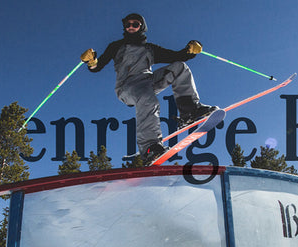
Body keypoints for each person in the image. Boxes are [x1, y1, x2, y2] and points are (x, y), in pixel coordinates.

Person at [81, 13, 219, 164]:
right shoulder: (116, 46)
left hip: (148, 81)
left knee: (179, 67)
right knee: (148, 99)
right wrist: (92, 61)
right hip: (127, 86)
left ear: (142, 27)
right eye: (128, 25)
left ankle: (190, 111)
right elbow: (98, 66)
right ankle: (150, 147)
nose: (131, 27)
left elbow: (174, 56)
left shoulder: (149, 49)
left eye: (135, 24)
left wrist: (189, 51)